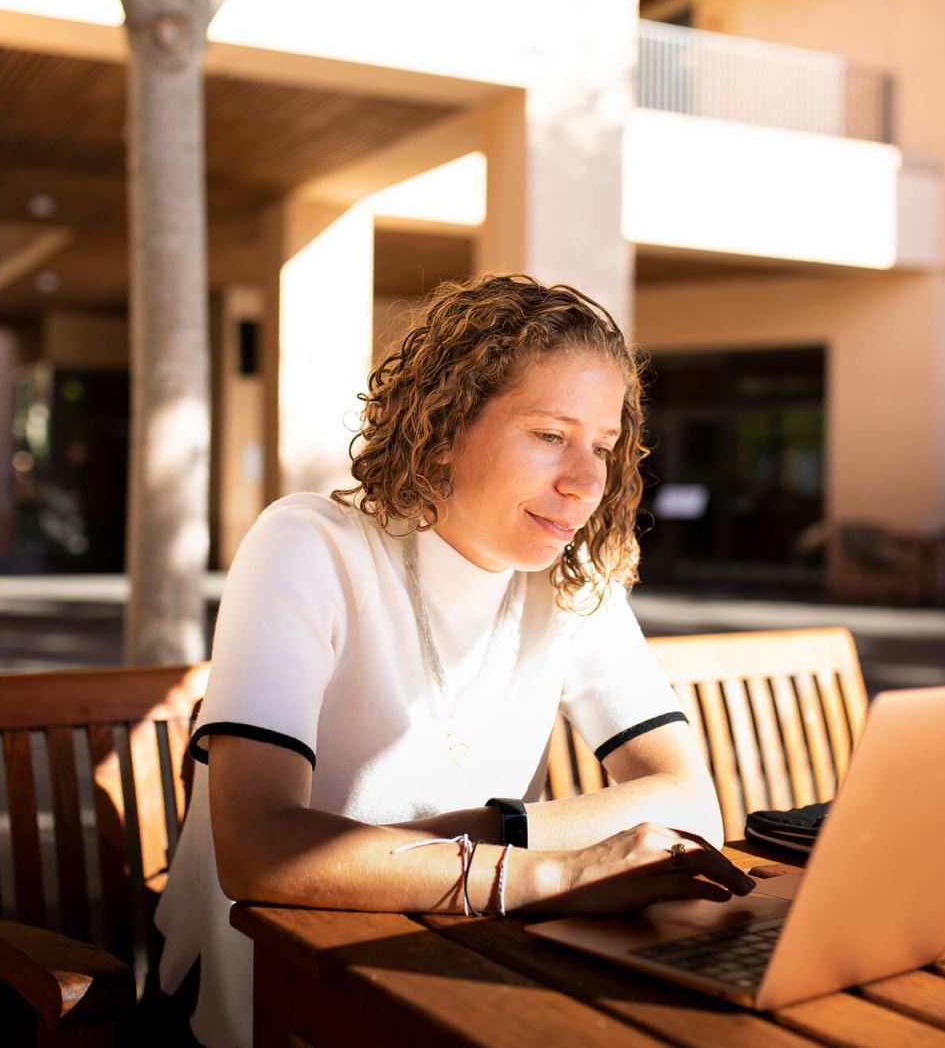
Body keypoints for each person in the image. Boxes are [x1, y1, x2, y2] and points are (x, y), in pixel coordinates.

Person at [153, 274, 751, 1047]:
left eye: (603, 447)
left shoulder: (569, 577)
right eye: (549, 435)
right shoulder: (306, 544)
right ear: (443, 425)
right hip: (274, 996)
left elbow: (689, 802)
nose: (587, 481)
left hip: (457, 963)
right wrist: (553, 871)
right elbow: (260, 850)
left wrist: (476, 831)